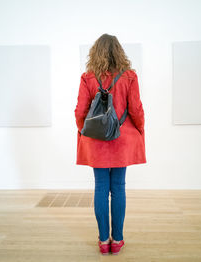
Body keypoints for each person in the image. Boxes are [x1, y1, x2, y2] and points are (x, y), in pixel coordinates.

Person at [74, 33, 146, 255]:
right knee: (119, 188)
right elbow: (135, 109)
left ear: (95, 52)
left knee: (101, 188)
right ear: (119, 51)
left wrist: (83, 130)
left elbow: (80, 111)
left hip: (97, 142)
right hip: (122, 141)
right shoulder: (130, 76)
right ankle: (118, 240)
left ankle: (104, 241)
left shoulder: (88, 77)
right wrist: (140, 128)